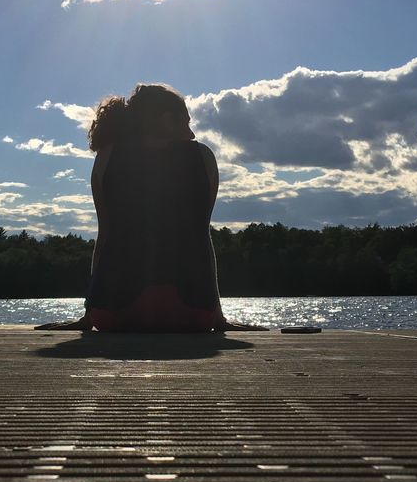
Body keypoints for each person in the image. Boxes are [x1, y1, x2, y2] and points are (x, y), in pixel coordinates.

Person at [37, 83, 264, 333]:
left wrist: (90, 314)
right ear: (166, 119)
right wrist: (217, 316)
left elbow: (105, 236)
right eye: (185, 123)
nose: (190, 134)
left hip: (114, 313)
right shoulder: (204, 157)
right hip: (192, 313)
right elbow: (202, 237)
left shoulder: (107, 155)